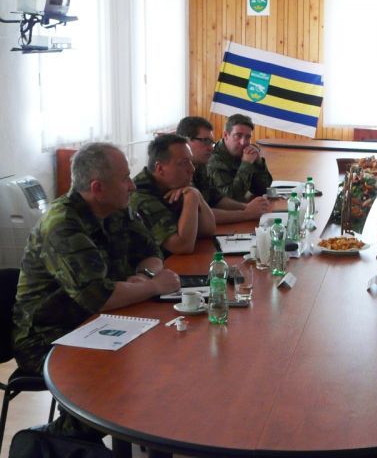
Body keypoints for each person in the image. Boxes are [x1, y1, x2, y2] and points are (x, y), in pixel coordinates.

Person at [12, 142, 180, 439]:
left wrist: (144, 276)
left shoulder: (116, 210)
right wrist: (154, 285)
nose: (131, 185)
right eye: (124, 179)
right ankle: (60, 441)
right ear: (97, 188)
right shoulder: (62, 225)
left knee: (168, 355)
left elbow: (152, 253)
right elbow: (99, 297)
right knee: (115, 383)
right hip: (48, 336)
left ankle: (144, 439)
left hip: (99, 321)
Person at [130, 134, 217, 255]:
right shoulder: (140, 197)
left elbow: (208, 229)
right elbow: (182, 246)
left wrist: (195, 193)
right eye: (184, 163)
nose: (192, 169)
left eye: (190, 161)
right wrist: (191, 199)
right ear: (160, 169)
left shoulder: (174, 185)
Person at [176, 116, 270, 223]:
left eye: (211, 142)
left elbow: (216, 199)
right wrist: (246, 214)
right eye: (205, 141)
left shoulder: (199, 165)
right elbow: (199, 215)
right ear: (185, 141)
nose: (211, 148)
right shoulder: (177, 173)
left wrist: (246, 207)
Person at [207, 113, 273, 202]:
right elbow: (232, 198)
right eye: (238, 136)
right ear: (225, 135)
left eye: (247, 137)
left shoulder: (246, 153)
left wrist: (258, 162)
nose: (243, 142)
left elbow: (263, 189)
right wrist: (246, 164)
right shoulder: (214, 159)